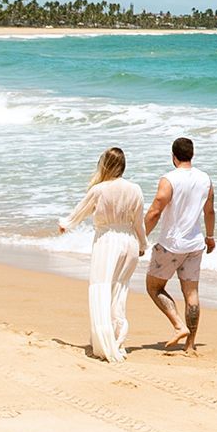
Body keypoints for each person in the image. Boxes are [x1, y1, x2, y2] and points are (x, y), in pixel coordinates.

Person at [57, 146, 148, 363]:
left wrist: (65, 225)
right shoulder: (135, 189)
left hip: (108, 241)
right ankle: (118, 340)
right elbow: (139, 223)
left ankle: (103, 343)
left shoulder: (99, 190)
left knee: (101, 289)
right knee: (119, 291)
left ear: (104, 165)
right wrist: (143, 244)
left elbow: (78, 212)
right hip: (130, 243)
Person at [143, 136, 215, 355]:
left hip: (171, 245)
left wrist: (140, 237)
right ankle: (190, 345)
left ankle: (178, 325)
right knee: (191, 293)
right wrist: (210, 237)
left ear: (173, 156)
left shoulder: (169, 179)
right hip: (195, 244)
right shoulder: (205, 179)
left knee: (154, 287)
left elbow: (156, 209)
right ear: (191, 155)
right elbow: (209, 211)